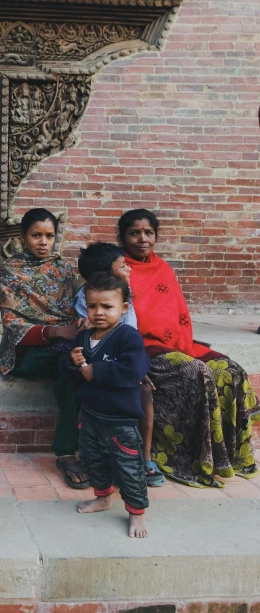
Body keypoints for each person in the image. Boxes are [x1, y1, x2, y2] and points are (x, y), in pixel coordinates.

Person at [120, 208, 260, 487]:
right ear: (123, 237)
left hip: (177, 343)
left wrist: (181, 345)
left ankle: (230, 457)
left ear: (156, 236)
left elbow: (178, 313)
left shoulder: (163, 268)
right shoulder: (117, 269)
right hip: (142, 347)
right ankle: (192, 457)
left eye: (148, 232)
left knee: (231, 370)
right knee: (195, 372)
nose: (142, 239)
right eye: (134, 233)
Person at [0, 208, 88, 489]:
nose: (43, 242)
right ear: (24, 237)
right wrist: (56, 331)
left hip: (66, 343)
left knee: (77, 364)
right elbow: (12, 325)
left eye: (49, 236)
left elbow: (79, 307)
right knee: (70, 365)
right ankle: (66, 452)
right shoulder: (11, 270)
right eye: (36, 235)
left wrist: (81, 322)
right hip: (26, 351)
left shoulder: (63, 269)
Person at [73, 242, 165, 487]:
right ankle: (91, 455)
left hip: (126, 357)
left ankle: (144, 457)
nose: (128, 270)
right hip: (104, 362)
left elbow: (131, 338)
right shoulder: (91, 302)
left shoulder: (123, 296)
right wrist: (80, 363)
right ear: (104, 275)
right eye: (122, 266)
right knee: (94, 397)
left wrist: (137, 368)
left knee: (146, 388)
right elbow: (91, 347)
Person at [70, 272, 150, 538]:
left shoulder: (129, 338)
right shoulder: (83, 337)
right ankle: (103, 498)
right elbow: (73, 371)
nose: (99, 312)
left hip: (121, 422)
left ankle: (136, 514)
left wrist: (98, 371)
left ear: (124, 308)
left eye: (107, 306)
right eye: (92, 306)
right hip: (92, 417)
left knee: (129, 468)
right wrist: (72, 361)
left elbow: (134, 371)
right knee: (95, 462)